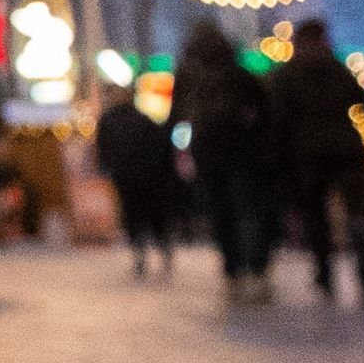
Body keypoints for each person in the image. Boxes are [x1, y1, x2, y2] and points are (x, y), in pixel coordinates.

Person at [268, 18, 364, 307]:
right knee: (355, 217)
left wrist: (278, 159)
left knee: (317, 217)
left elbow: (279, 120)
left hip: (308, 155)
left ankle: (324, 273)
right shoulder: (339, 70)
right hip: (346, 151)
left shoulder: (288, 75)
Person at [175, 16, 275, 304]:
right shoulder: (238, 73)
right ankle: (256, 269)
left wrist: (177, 150)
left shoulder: (189, 75)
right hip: (243, 153)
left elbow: (177, 115)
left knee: (222, 213)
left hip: (207, 152)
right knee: (247, 212)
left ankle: (233, 270)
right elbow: (264, 111)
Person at [92, 82, 187, 279]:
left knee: (133, 216)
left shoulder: (108, 120)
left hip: (126, 177)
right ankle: (158, 251)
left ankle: (142, 255)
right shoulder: (141, 119)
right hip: (145, 177)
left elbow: (103, 150)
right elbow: (159, 148)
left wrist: (106, 168)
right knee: (150, 215)